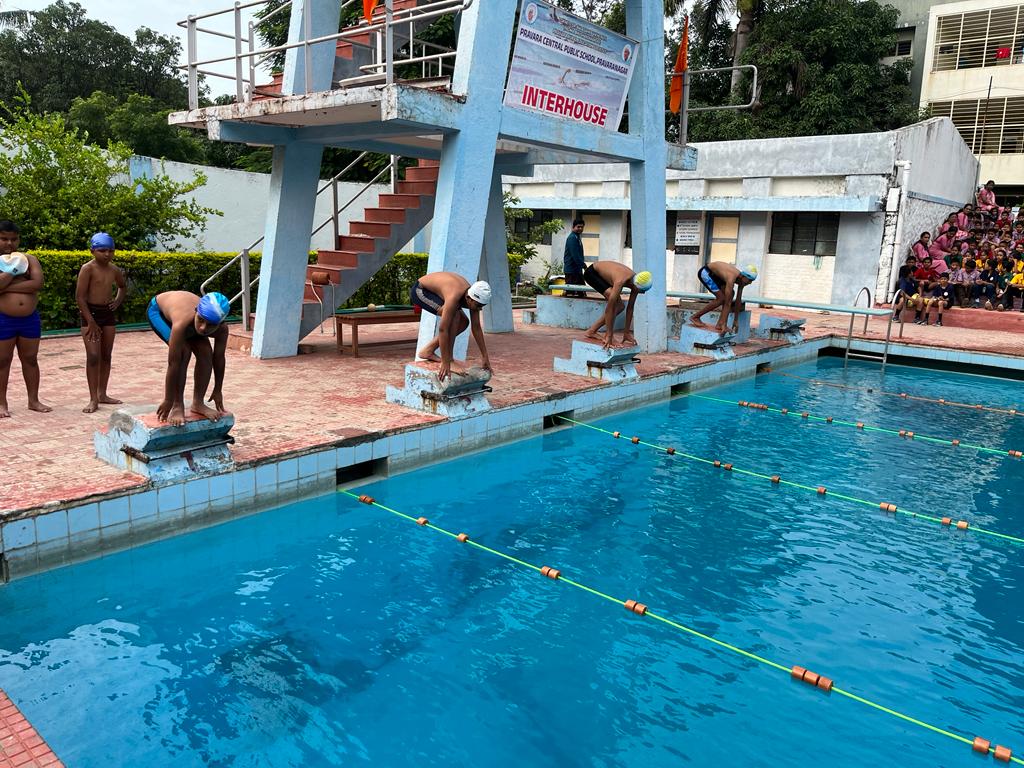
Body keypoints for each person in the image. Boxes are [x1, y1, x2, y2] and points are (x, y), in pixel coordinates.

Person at [147, 291, 230, 426]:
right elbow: (173, 364)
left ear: (220, 324)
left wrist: (218, 389)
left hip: (188, 320)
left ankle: (198, 403)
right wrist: (168, 400)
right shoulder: (181, 323)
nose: (203, 328)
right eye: (201, 320)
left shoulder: (222, 330)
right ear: (196, 311)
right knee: (183, 352)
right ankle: (177, 405)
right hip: (158, 312)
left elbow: (219, 359)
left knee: (206, 352)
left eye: (210, 325)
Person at [0, 221, 51, 418]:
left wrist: (7, 287)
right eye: (4, 239)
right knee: (3, 361)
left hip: (29, 319)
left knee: (30, 359)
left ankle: (33, 400)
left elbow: (37, 283)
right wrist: (15, 271)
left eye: (13, 239)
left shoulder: (29, 259)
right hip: (4, 319)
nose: (9, 243)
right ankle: (2, 403)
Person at [76, 232, 126, 413]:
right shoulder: (87, 269)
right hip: (90, 313)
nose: (107, 254)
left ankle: (102, 393)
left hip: (107, 314)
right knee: (93, 356)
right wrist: (90, 321)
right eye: (102, 250)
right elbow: (80, 297)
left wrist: (117, 301)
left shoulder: (114, 270)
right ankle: (93, 399)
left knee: (106, 355)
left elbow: (122, 286)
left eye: (110, 251)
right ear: (93, 251)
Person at [411, 272, 492, 381]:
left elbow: (476, 327)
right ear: (469, 298)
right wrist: (446, 362)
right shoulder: (455, 295)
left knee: (464, 322)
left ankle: (428, 351)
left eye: (482, 306)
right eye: (478, 306)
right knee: (455, 316)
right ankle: (449, 359)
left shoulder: (474, 298)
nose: (479, 309)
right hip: (421, 291)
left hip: (436, 292)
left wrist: (485, 356)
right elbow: (443, 329)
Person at [581, 261, 653, 348]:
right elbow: (609, 309)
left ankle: (591, 331)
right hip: (592, 273)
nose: (643, 293)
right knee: (615, 304)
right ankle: (607, 335)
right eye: (642, 291)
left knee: (620, 306)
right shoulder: (620, 281)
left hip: (605, 276)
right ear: (637, 285)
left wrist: (626, 333)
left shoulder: (636, 281)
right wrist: (609, 336)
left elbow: (630, 308)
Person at [690, 261, 757, 334]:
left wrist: (736, 321)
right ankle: (695, 317)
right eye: (750, 280)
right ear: (743, 276)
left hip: (717, 276)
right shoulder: (731, 277)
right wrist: (725, 324)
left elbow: (738, 301)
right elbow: (728, 303)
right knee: (721, 298)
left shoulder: (742, 281)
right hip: (706, 272)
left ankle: (720, 324)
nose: (750, 283)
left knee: (731, 294)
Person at [562, 218, 586, 295]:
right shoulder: (572, 238)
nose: (580, 229)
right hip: (571, 271)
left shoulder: (577, 237)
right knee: (571, 294)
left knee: (581, 292)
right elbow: (575, 255)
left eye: (582, 227)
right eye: (578, 227)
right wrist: (583, 265)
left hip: (577, 270)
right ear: (573, 227)